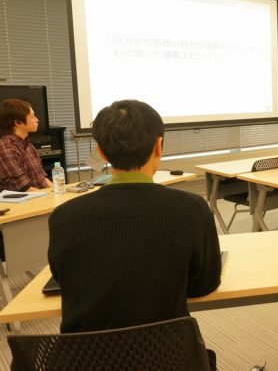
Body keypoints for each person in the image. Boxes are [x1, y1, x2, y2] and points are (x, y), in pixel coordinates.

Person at [48, 100, 221, 337]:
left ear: (100, 151)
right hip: (169, 352)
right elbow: (203, 286)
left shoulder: (63, 217)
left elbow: (62, 280)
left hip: (82, 355)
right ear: (158, 146)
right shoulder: (192, 209)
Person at [0, 99, 52, 192]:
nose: (37, 120)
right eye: (32, 117)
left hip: (42, 195)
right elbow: (23, 188)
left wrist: (58, 192)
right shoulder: (6, 149)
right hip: (30, 199)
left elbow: (42, 179)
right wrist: (51, 197)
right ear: (17, 123)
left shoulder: (28, 145)